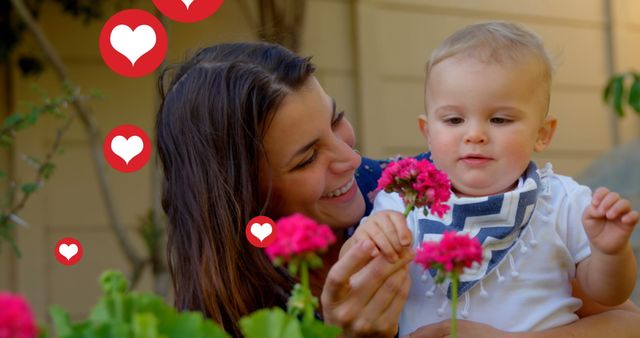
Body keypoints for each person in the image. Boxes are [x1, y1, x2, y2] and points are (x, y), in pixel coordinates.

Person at [155, 41, 640, 337]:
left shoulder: (425, 188)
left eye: (336, 120)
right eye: (307, 157)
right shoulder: (239, 301)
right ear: (246, 195)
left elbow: (624, 321)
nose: (350, 158)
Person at [345, 22, 639, 336]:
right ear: (427, 132)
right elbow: (354, 274)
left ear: (542, 133)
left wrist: (609, 252)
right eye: (454, 119)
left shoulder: (563, 201)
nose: (474, 135)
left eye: (499, 119)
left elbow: (609, 295)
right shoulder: (403, 201)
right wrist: (370, 238)